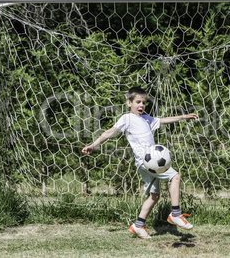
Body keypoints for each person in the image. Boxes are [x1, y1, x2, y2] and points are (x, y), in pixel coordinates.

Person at [82, 86, 198, 239]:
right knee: (175, 177)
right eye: (138, 102)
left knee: (154, 196)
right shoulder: (127, 118)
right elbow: (110, 131)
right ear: (129, 102)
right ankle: (175, 213)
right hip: (146, 162)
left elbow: (162, 121)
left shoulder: (146, 118)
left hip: (150, 163)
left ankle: (138, 225)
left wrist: (183, 117)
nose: (141, 105)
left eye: (144, 102)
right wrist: (93, 145)